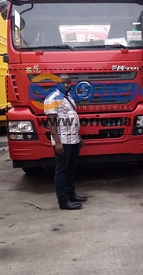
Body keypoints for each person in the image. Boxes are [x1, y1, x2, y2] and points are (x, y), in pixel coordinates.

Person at [44, 74, 87, 210]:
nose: (67, 85)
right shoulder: (52, 98)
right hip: (63, 141)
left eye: (69, 82)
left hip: (73, 139)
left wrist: (78, 136)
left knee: (71, 169)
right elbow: (51, 122)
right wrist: (57, 142)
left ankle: (71, 194)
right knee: (62, 170)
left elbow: (72, 118)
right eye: (63, 83)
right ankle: (63, 201)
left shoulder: (68, 97)